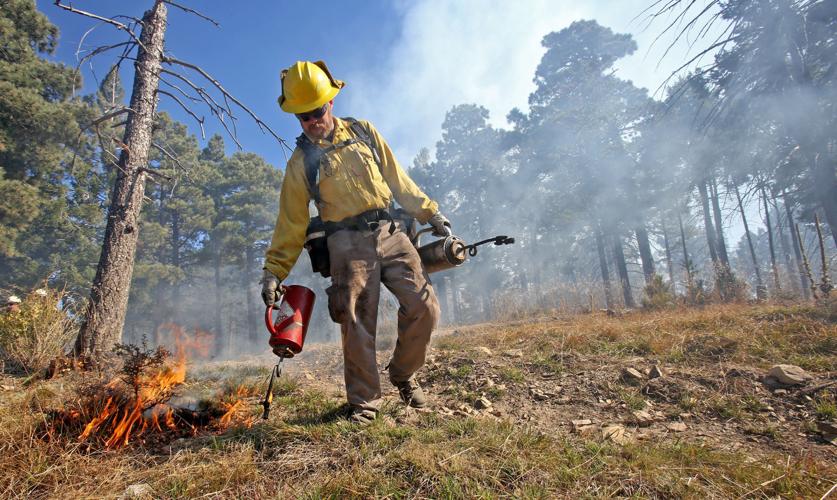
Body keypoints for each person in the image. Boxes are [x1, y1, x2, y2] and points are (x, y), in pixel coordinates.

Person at [261, 60, 451, 424]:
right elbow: (291, 222)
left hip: (391, 233)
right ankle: (365, 405)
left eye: (316, 111)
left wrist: (431, 213)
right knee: (356, 320)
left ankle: (403, 373)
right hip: (346, 245)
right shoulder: (301, 162)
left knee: (424, 307)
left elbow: (398, 180)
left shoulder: (363, 132)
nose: (312, 121)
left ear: (330, 103)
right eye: (303, 116)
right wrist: (273, 271)